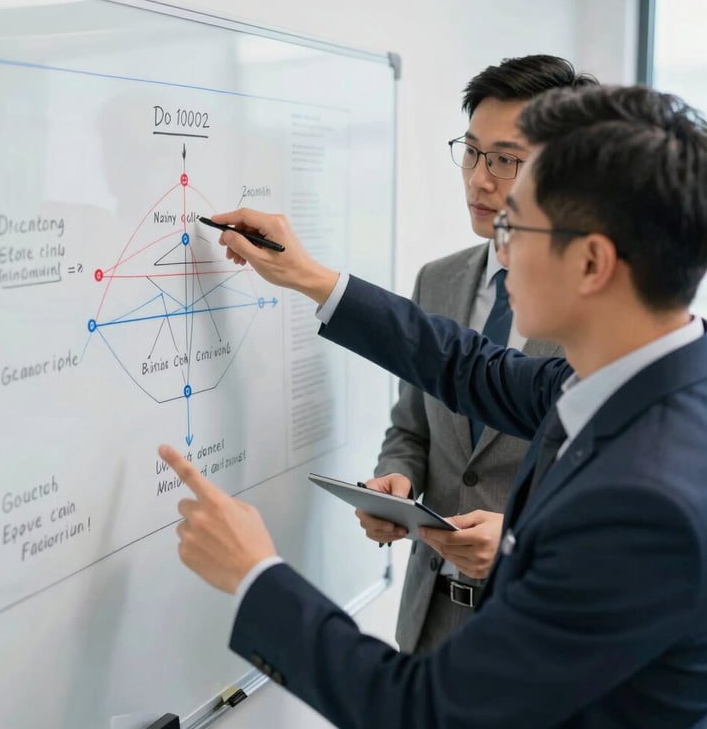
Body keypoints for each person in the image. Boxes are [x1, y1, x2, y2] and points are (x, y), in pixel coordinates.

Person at [160, 84, 707, 728]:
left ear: (592, 262)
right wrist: (310, 276)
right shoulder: (641, 383)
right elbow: (467, 365)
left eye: (515, 227)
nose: (499, 251)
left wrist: (255, 574)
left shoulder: (645, 502)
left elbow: (426, 714)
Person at [366, 55, 597, 653]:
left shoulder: (598, 315)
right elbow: (411, 426)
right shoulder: (436, 281)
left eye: (505, 160)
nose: (478, 179)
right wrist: (398, 481)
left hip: (536, 630)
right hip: (429, 618)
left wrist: (522, 538)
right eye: (470, 151)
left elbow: (611, 489)